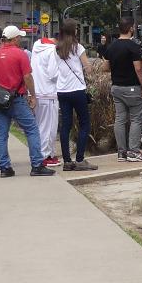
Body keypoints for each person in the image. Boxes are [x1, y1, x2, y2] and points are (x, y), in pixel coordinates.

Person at [0, 26, 53, 177]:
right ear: (15, 38)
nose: (21, 39)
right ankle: (37, 165)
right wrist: (33, 95)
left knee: (1, 133)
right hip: (17, 98)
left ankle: (5, 167)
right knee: (31, 129)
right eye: (19, 37)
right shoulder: (21, 54)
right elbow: (27, 77)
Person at [51, 20, 97, 171]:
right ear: (73, 31)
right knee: (84, 123)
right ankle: (80, 160)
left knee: (65, 126)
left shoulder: (57, 48)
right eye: (76, 28)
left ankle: (67, 161)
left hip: (62, 91)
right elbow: (88, 68)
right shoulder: (78, 47)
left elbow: (54, 70)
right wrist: (89, 69)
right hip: (77, 90)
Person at [103, 18, 142, 162]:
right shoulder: (133, 47)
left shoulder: (110, 47)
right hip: (132, 88)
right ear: (130, 28)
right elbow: (138, 69)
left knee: (120, 119)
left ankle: (121, 152)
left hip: (116, 87)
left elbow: (105, 68)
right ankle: (134, 151)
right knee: (136, 119)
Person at [31, 32, 61, 168]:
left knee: (40, 126)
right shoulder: (52, 51)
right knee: (49, 128)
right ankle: (45, 156)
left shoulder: (36, 46)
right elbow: (53, 74)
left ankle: (42, 154)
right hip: (49, 93)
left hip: (37, 91)